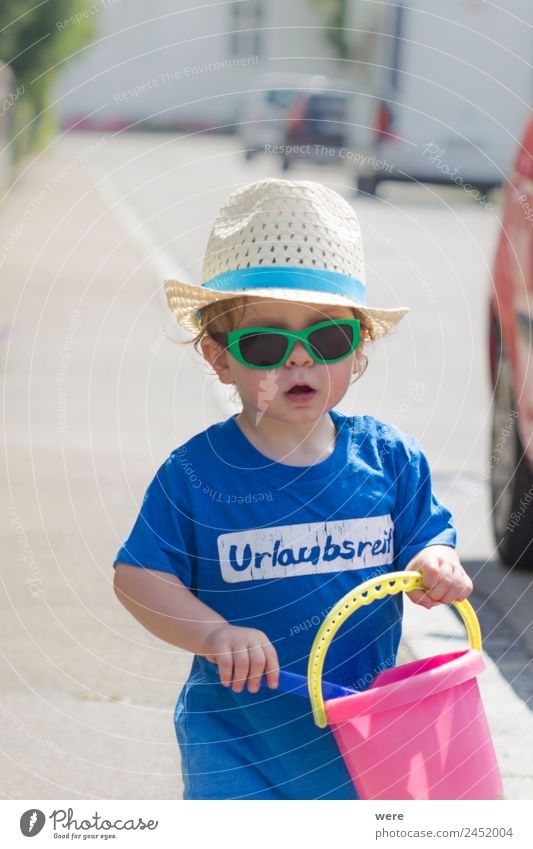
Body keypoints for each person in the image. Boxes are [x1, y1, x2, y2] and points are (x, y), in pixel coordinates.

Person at [113, 178, 473, 800]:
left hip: (359, 730)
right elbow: (139, 576)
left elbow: (427, 536)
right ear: (219, 358)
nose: (299, 359)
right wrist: (211, 633)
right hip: (237, 737)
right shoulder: (195, 474)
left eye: (327, 337)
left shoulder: (387, 460)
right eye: (265, 341)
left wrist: (435, 562)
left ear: (358, 349)